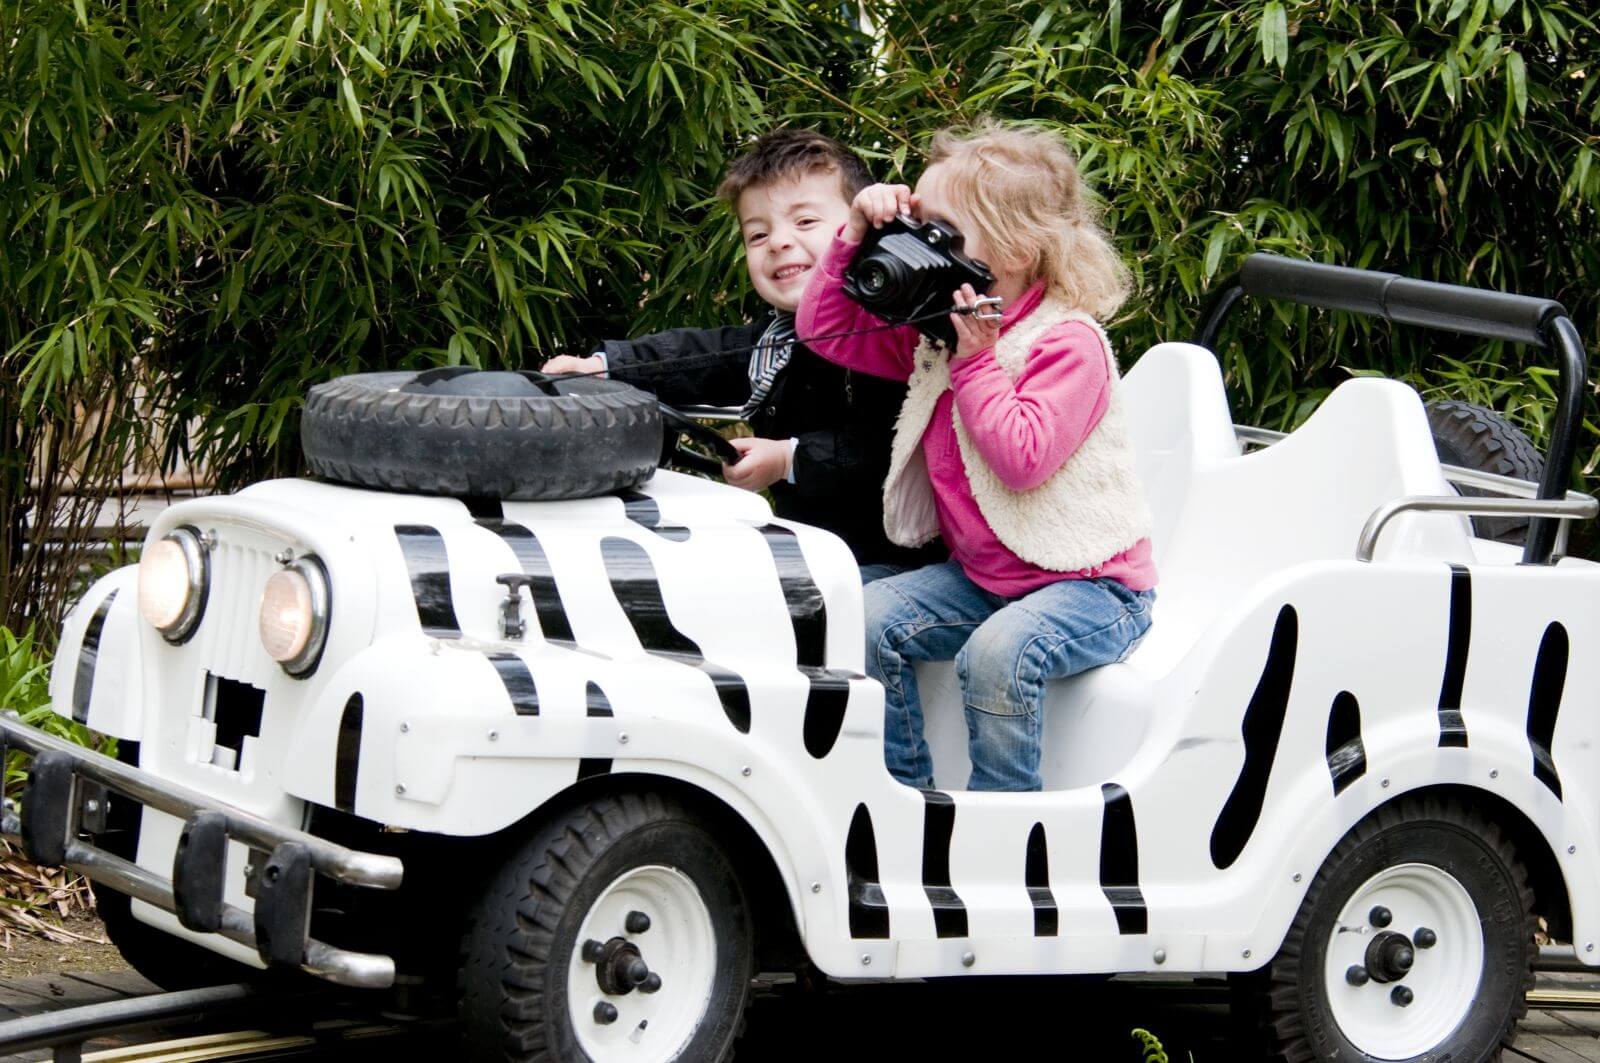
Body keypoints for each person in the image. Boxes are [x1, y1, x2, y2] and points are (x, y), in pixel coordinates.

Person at [795, 119, 1157, 792]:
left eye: (943, 235)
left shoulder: (1067, 342)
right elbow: (825, 332)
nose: (921, 247)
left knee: (998, 653)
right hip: (987, 580)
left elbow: (1022, 459)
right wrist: (854, 235)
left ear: (1014, 250)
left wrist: (977, 361)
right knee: (865, 618)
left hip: (1092, 590)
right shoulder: (942, 332)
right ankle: (907, 797)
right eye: (917, 226)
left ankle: (1005, 817)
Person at [543, 129, 943, 580]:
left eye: (805, 222)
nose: (778, 242)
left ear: (860, 229)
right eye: (757, 234)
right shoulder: (776, 340)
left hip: (896, 562)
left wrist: (790, 459)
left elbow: (900, 451)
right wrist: (604, 367)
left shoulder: (897, 333)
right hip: (811, 552)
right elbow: (702, 356)